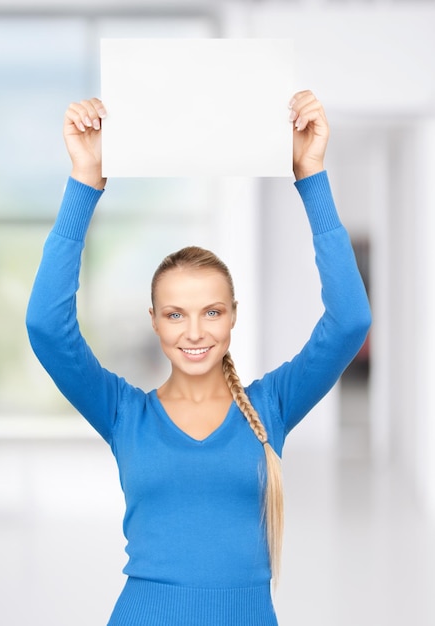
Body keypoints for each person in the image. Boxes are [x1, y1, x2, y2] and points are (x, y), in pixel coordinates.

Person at [26, 90, 371, 626]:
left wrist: (311, 176)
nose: (193, 332)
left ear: (233, 316)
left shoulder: (270, 407)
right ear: (154, 320)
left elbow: (350, 320)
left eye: (211, 312)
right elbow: (47, 326)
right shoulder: (125, 415)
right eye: (174, 314)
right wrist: (85, 181)